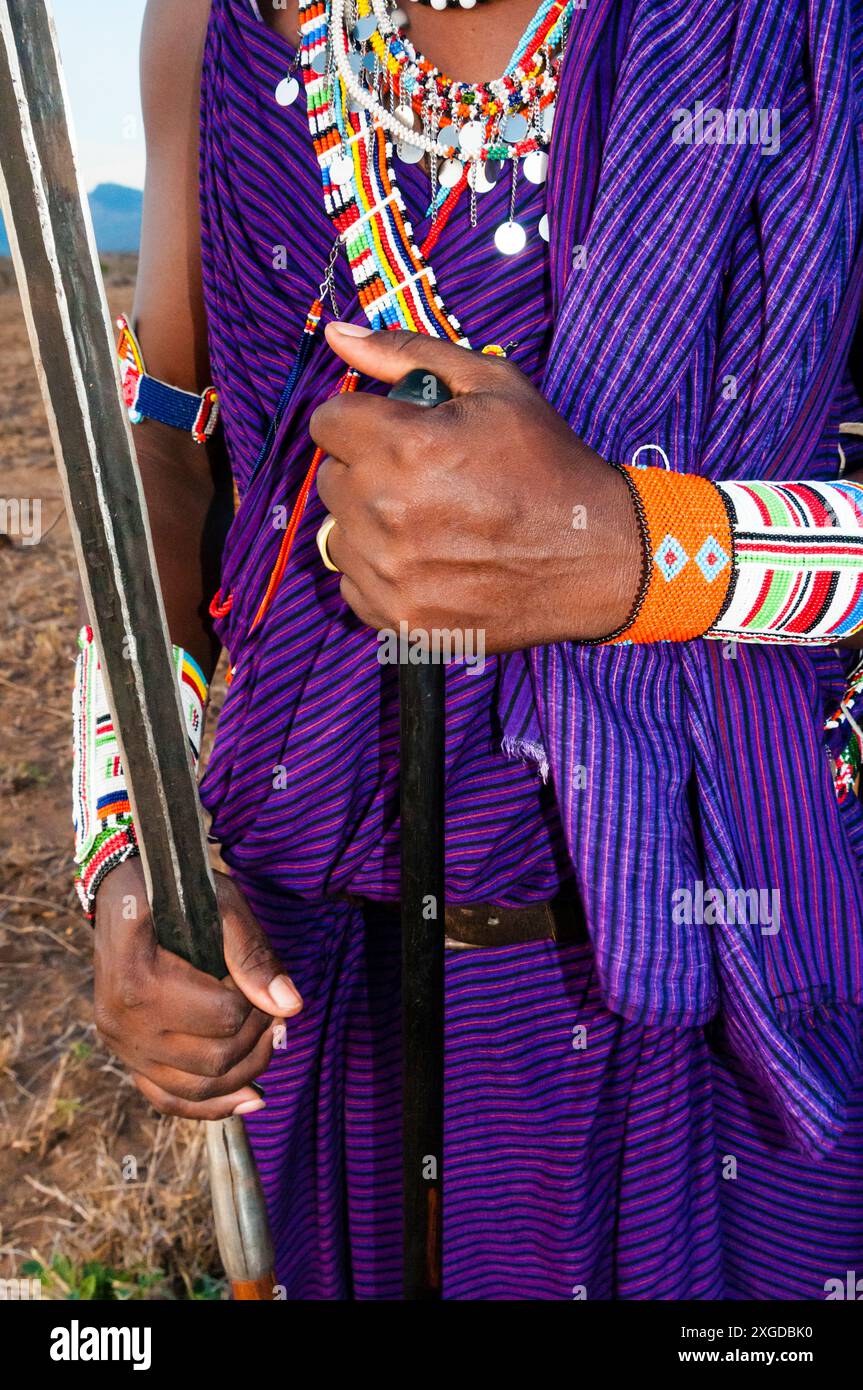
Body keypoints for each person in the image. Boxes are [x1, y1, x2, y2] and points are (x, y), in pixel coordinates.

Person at [77, 0, 863, 1298]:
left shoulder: (801, 37)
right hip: (312, 969)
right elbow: (169, 439)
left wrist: (630, 550)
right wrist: (131, 839)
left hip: (718, 963)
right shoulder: (209, 25)